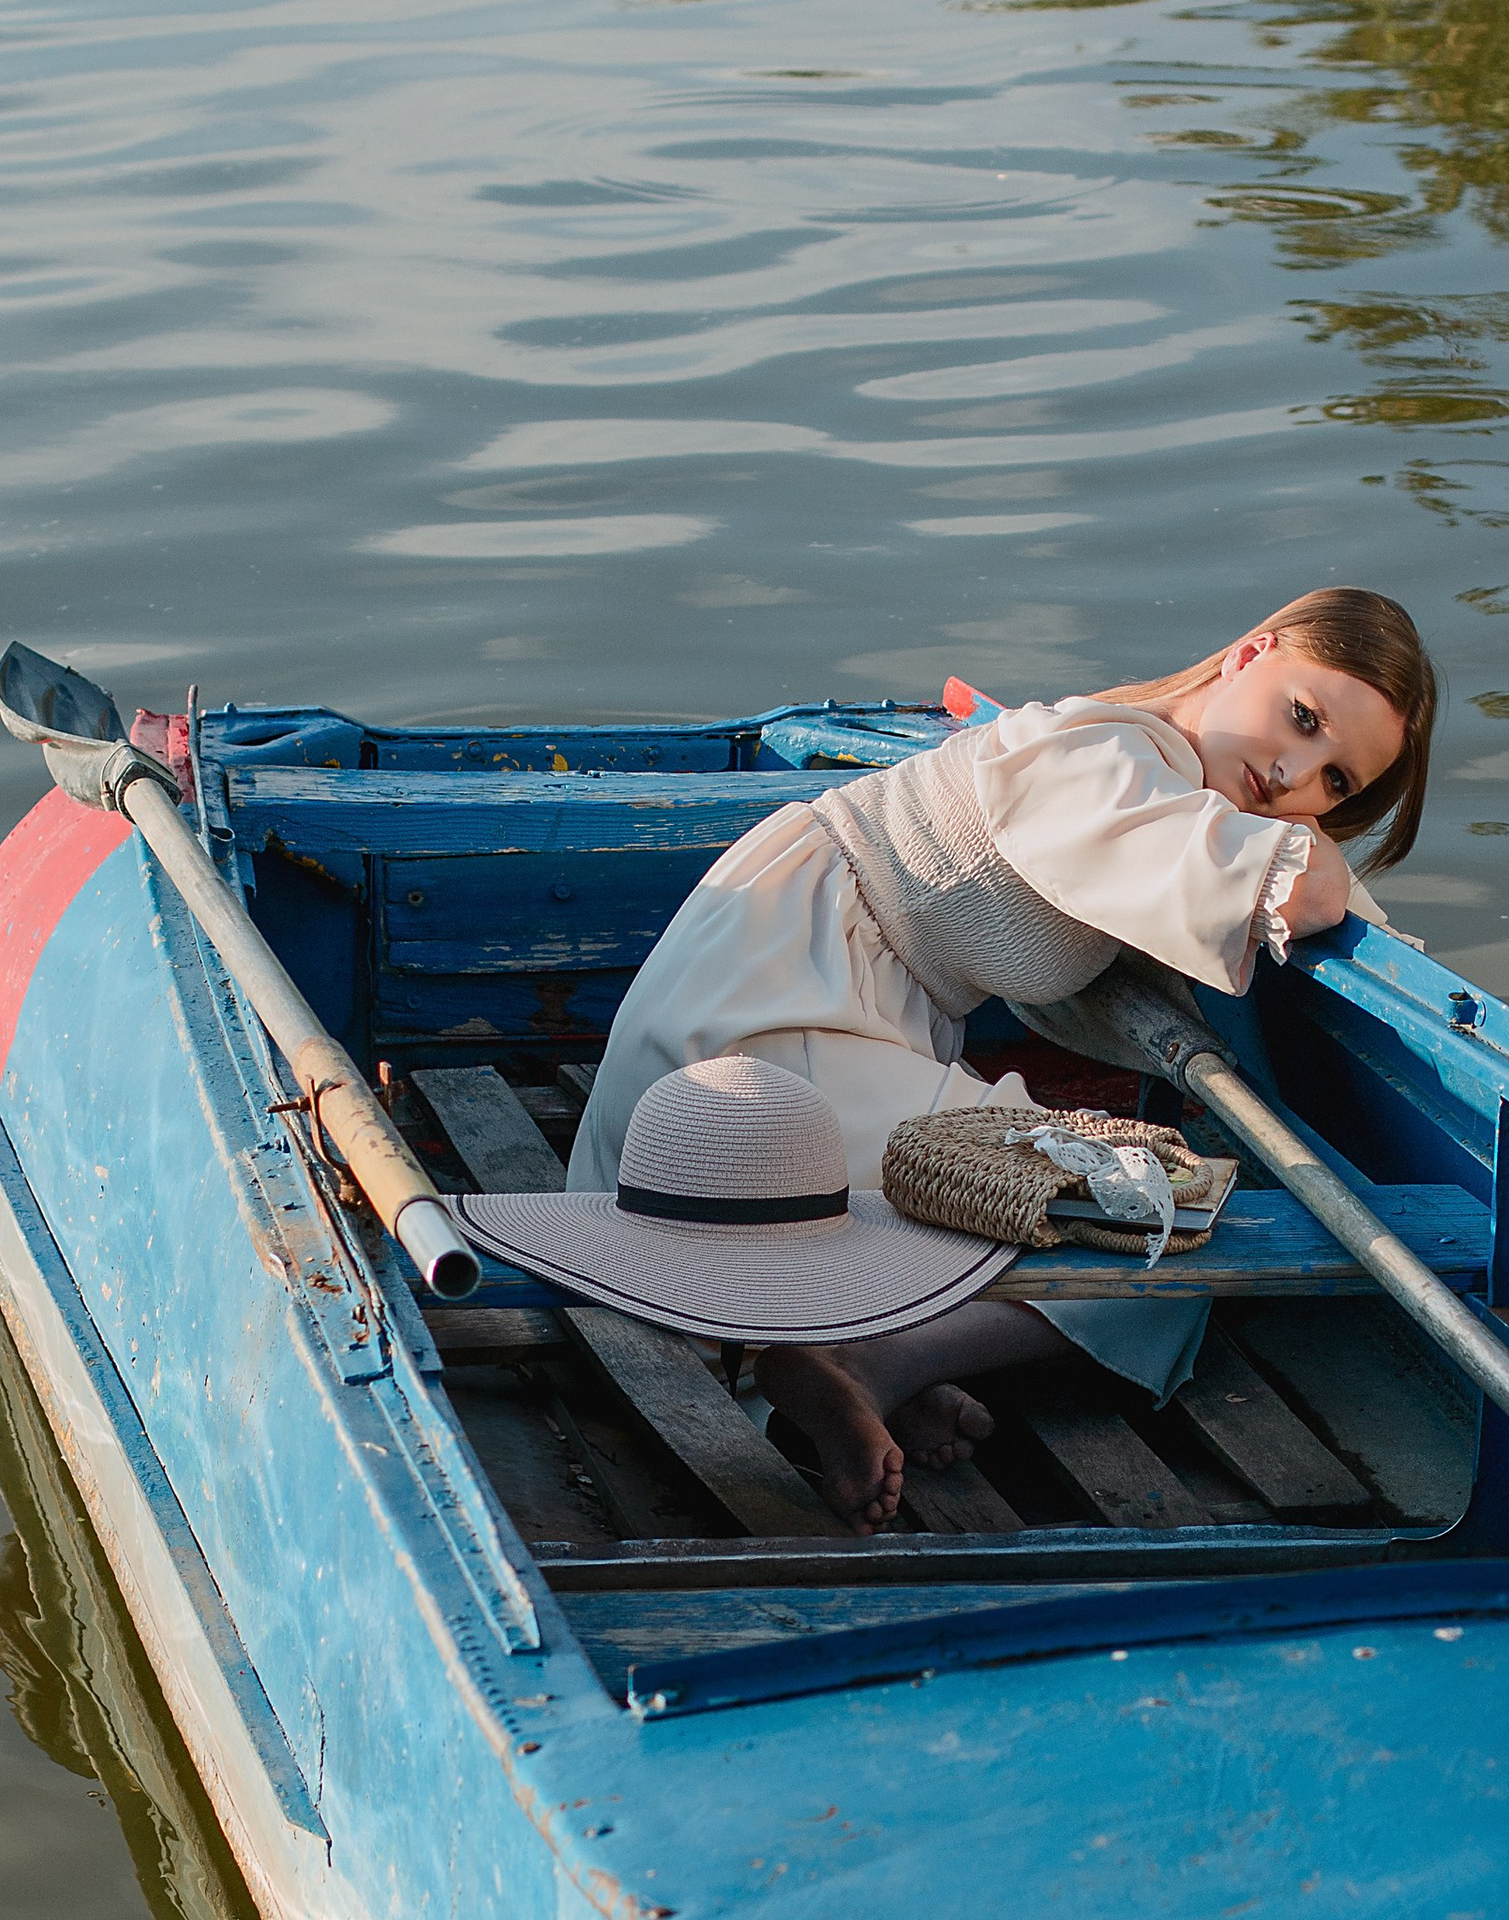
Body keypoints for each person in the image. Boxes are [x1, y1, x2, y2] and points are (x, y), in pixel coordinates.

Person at [569, 587, 1437, 1531]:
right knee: (1168, 1237)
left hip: (815, 1004)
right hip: (778, 1014)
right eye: (1301, 718)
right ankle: (872, 1356)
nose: (1292, 771)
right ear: (1247, 654)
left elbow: (1244, 872)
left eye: (1336, 782)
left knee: (1151, 1238)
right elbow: (1299, 890)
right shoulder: (1100, 755)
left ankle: (880, 1359)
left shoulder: (1162, 785)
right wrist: (1307, 854)